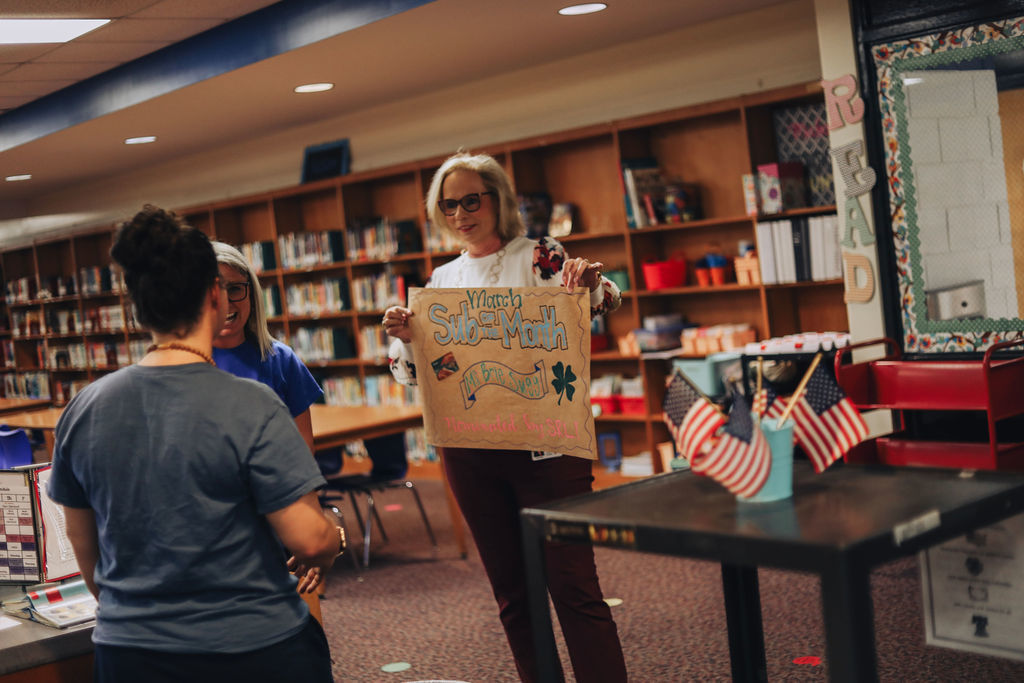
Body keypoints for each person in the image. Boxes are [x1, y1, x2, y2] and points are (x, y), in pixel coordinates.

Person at [47, 205, 343, 683]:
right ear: (213, 296)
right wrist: (335, 531)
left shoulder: (83, 409)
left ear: (136, 307)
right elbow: (309, 539)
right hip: (251, 646)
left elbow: (84, 545)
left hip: (130, 652)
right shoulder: (254, 404)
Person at [383, 152, 628, 682]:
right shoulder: (440, 279)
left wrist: (587, 286)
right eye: (450, 205)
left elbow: (604, 299)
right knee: (513, 596)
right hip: (470, 450)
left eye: (473, 199)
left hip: (547, 445)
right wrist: (409, 341)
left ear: (499, 199)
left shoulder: (537, 255)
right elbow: (421, 375)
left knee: (574, 587)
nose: (462, 213)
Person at [211, 241, 323, 454]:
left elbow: (304, 449)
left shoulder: (281, 359)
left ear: (252, 295)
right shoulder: (186, 364)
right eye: (214, 292)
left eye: (234, 289)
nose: (226, 303)